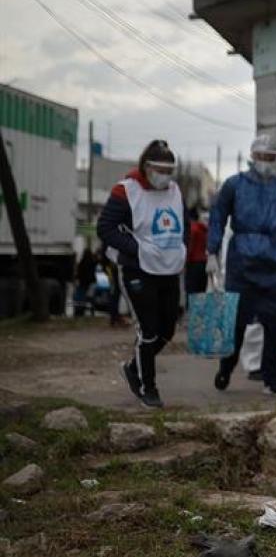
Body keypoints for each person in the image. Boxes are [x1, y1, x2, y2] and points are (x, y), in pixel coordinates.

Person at [208, 133, 276, 398]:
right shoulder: (234, 185)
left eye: (270, 157)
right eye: (261, 156)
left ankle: (272, 379)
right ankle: (226, 367)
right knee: (239, 323)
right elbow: (217, 217)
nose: (265, 161)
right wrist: (212, 251)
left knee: (275, 324)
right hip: (243, 262)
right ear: (252, 156)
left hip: (275, 262)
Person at [96, 140, 186, 409]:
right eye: (160, 169)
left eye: (170, 170)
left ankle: (132, 367)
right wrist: (136, 249)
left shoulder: (175, 190)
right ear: (146, 167)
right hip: (138, 268)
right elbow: (105, 228)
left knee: (167, 329)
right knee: (148, 330)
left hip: (168, 268)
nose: (165, 175)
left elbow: (186, 225)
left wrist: (185, 250)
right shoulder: (125, 191)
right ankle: (149, 388)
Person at [185, 206, 209, 297]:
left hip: (193, 262)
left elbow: (190, 246)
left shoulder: (193, 229)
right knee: (201, 291)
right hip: (204, 262)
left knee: (191, 291)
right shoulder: (205, 229)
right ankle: (200, 310)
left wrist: (185, 259)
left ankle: (191, 310)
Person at [73, 248, 97, 317]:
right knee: (91, 298)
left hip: (83, 283)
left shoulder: (82, 262)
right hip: (91, 282)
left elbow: (78, 273)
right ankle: (92, 311)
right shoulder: (93, 262)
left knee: (81, 298)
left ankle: (80, 311)